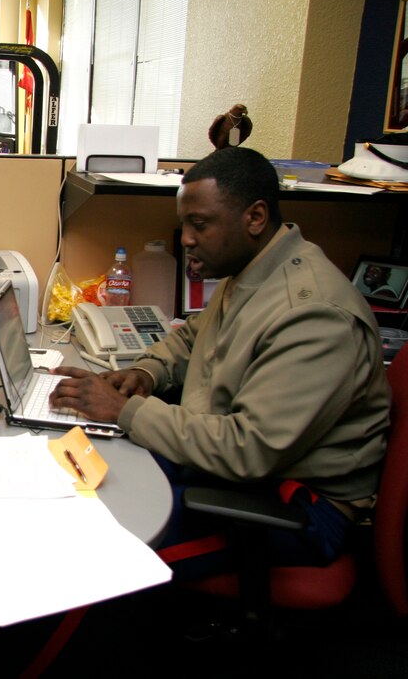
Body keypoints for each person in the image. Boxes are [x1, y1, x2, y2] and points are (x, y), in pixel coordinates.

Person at [51, 147, 390, 578]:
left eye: (200, 224)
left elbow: (249, 449)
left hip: (293, 505)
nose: (188, 238)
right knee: (87, 478)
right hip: (231, 469)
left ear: (255, 217)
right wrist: (144, 374)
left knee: (101, 547)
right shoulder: (254, 271)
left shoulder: (314, 314)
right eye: (185, 225)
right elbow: (192, 338)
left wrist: (126, 410)